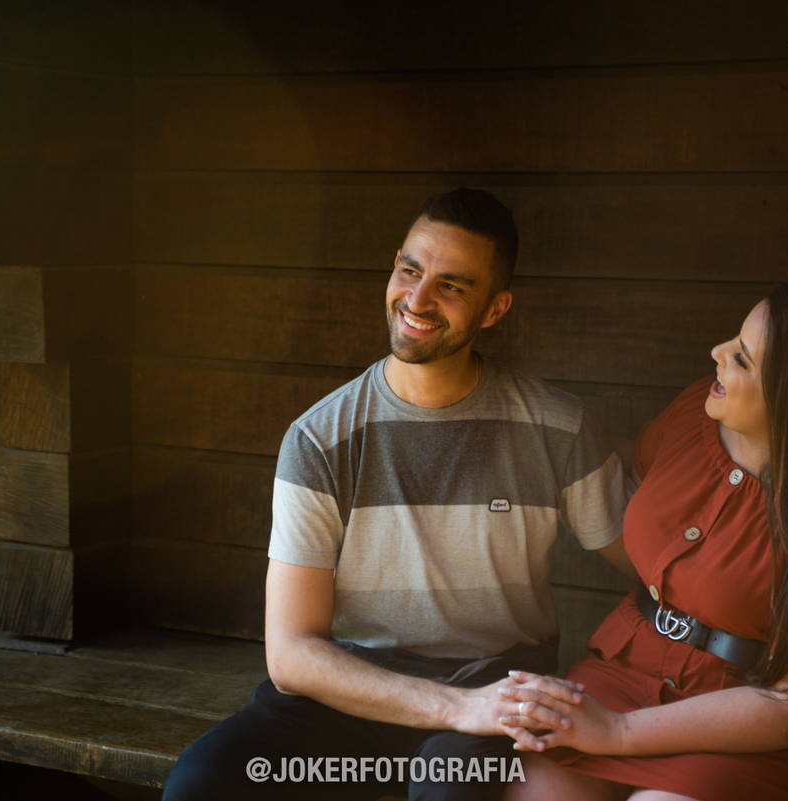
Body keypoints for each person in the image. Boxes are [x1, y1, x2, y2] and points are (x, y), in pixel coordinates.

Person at [161, 188, 633, 801]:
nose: (417, 299)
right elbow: (292, 654)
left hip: (493, 691)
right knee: (201, 785)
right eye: (410, 270)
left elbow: (658, 569)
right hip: (351, 692)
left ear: (495, 308)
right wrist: (452, 708)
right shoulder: (320, 439)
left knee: (446, 790)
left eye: (452, 286)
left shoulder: (558, 429)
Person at [494, 282, 788, 801]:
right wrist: (529, 436)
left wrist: (616, 732)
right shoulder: (693, 415)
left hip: (756, 721)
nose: (717, 353)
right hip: (627, 673)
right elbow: (623, 465)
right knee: (536, 790)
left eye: (742, 359)